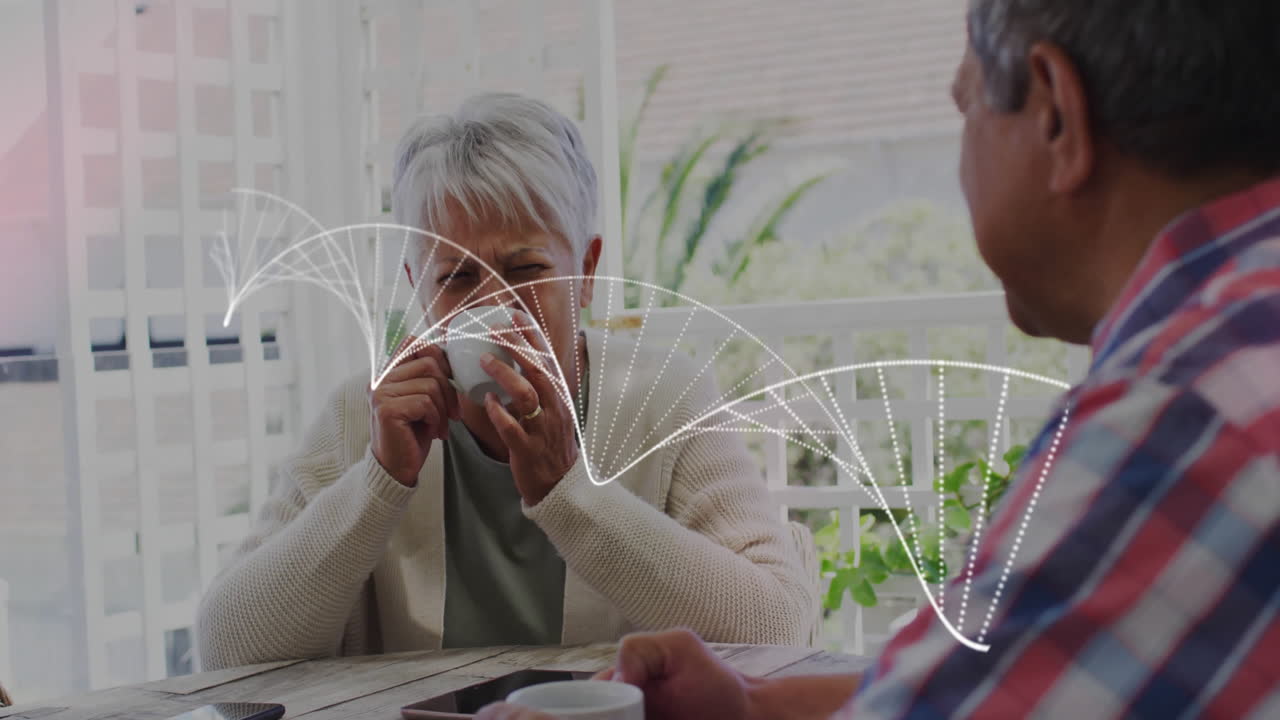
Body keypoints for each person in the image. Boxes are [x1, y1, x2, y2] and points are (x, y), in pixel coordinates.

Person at [479, 0, 1280, 717]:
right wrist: (755, 704)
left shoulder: (1183, 416)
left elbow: (789, 623)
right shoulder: (1238, 334)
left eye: (963, 105)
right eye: (451, 276)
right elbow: (993, 682)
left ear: (1057, 117)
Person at [194, 93, 819, 670]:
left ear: (588, 270)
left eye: (526, 269)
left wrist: (569, 494)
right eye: (456, 278)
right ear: (417, 289)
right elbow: (227, 648)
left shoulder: (660, 396)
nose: (495, 307)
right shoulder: (368, 419)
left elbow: (776, 629)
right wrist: (380, 482)